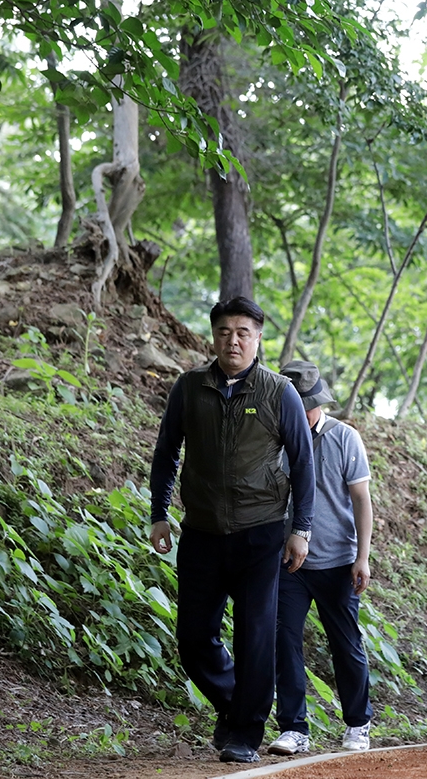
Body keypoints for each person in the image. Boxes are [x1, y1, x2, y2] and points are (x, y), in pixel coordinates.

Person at [147, 296, 315, 764]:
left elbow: (303, 466)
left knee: (255, 637)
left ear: (259, 338)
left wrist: (301, 528)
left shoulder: (279, 392)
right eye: (225, 332)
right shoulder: (189, 387)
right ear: (214, 337)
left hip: (260, 534)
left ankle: (244, 733)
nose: (233, 340)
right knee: (194, 638)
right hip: (200, 532)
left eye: (243, 332)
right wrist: (159, 512)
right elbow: (166, 455)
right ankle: (234, 704)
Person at [268, 361, 374, 756]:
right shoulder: (273, 439)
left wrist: (362, 557)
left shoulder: (344, 437)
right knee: (284, 640)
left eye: (307, 404)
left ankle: (358, 723)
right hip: (288, 564)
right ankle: (294, 727)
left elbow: (362, 501)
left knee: (345, 644)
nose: (300, 412)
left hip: (338, 562)